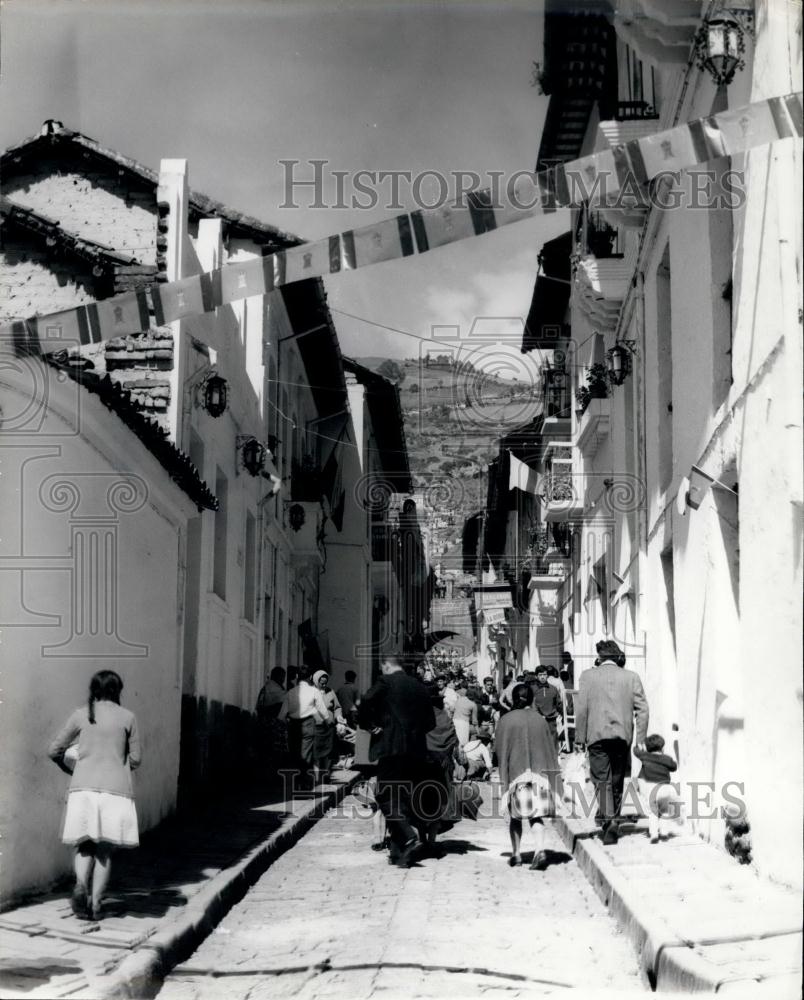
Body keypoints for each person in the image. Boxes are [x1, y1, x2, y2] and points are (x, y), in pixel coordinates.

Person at [48, 670, 141, 922]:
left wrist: (69, 767)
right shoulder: (128, 717)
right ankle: (97, 904)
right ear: (118, 690)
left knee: (84, 844)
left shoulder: (81, 715)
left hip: (83, 788)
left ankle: (80, 883)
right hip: (116, 790)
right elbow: (136, 759)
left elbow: (54, 750)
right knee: (104, 851)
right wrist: (117, 765)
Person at [358, 654, 437, 867]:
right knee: (402, 799)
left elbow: (365, 700)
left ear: (386, 665)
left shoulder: (385, 682)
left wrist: (369, 723)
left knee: (384, 795)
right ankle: (398, 853)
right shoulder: (419, 687)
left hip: (391, 748)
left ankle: (407, 834)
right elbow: (430, 723)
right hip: (415, 752)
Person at [574, 639, 649, 845]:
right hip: (622, 736)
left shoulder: (587, 676)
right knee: (616, 779)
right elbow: (643, 708)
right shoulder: (631, 677)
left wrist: (579, 737)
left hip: (596, 736)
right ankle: (613, 817)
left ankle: (609, 821)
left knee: (601, 780)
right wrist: (640, 737)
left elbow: (581, 709)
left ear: (599, 657)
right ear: (617, 657)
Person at [494, 683, 561, 871]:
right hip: (538, 774)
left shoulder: (506, 720)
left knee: (515, 817)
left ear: (513, 698)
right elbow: (550, 746)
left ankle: (516, 854)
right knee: (536, 815)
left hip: (516, 774)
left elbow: (499, 748)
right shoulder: (540, 719)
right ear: (532, 698)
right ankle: (540, 850)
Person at [278, 664, 330, 790]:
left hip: (293, 726)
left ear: (297, 677)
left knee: (295, 754)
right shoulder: (314, 691)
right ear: (311, 677)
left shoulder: (290, 692)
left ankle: (295, 783)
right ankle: (304, 784)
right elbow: (324, 713)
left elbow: (281, 716)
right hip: (308, 725)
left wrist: (287, 724)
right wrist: (328, 725)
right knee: (306, 755)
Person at [634, 734, 680, 843]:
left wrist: (639, 747)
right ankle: (664, 833)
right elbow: (674, 767)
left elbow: (635, 752)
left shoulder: (645, 756)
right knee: (665, 812)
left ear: (648, 748)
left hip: (652, 788)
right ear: (662, 748)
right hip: (665, 788)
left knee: (653, 813)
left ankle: (654, 835)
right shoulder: (666, 759)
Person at [312, 670, 344, 783]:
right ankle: (316, 779)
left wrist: (338, 716)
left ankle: (325, 776)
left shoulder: (330, 692)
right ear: (316, 681)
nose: (324, 685)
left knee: (328, 753)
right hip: (316, 728)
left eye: (326, 682)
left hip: (329, 729)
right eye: (322, 683)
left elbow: (337, 707)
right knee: (316, 754)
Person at [255, 667, 288, 770]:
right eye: (282, 676)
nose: (283, 679)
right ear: (276, 676)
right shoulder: (274, 689)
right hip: (273, 725)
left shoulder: (267, 687)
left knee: (267, 751)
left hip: (265, 724)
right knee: (274, 752)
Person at [530, 666, 563, 748]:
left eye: (544, 674)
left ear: (547, 675)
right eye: (540, 675)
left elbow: (558, 703)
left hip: (551, 719)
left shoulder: (553, 689)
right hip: (537, 720)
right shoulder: (532, 689)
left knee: (552, 741)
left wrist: (562, 714)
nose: (542, 677)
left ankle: (554, 758)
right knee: (538, 742)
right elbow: (530, 704)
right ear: (536, 676)